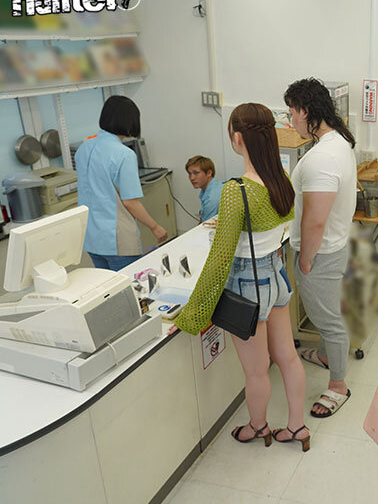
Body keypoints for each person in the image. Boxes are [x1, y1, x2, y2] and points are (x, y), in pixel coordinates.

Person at [175, 103, 311, 451]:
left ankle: (258, 426)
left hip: (248, 285)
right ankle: (297, 428)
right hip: (276, 276)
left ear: (237, 138)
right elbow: (274, 226)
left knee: (256, 370)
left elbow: (220, 259)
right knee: (288, 358)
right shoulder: (281, 179)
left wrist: (193, 314)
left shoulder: (236, 190)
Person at [284, 78, 358, 418]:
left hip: (321, 252)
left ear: (306, 111)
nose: (291, 121)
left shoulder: (322, 158)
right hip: (335, 245)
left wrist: (306, 258)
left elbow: (314, 221)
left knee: (328, 321)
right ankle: (327, 356)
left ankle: (338, 386)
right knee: (330, 311)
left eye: (292, 113)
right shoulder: (339, 142)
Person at [75, 95, 167, 271]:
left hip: (91, 237)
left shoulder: (83, 148)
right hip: (117, 240)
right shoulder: (124, 154)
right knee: (129, 285)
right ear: (130, 121)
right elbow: (130, 202)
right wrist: (155, 227)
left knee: (107, 286)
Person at [185, 155, 223, 222]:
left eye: (196, 173)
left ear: (209, 173)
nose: (191, 178)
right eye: (189, 174)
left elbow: (207, 226)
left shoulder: (212, 198)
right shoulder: (216, 186)